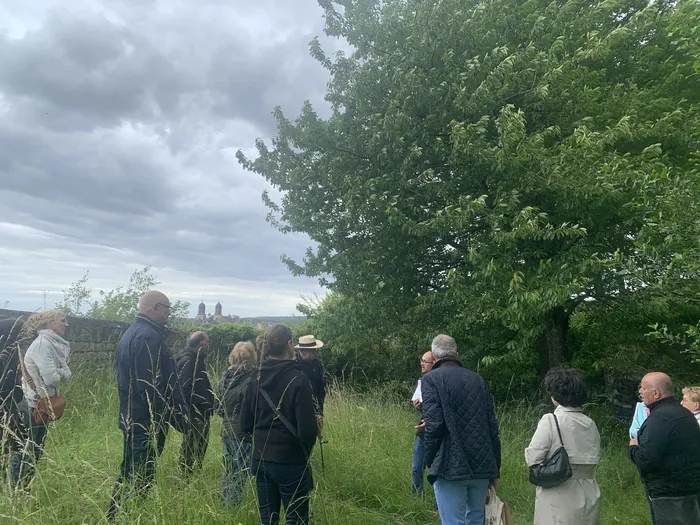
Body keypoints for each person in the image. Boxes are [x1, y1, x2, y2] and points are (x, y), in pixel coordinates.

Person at [108, 291, 188, 520]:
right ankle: (132, 516)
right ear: (155, 307)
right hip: (144, 419)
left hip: (132, 415)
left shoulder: (133, 332)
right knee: (142, 473)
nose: (168, 314)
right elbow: (149, 385)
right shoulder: (148, 336)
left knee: (130, 469)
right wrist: (164, 419)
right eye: (167, 309)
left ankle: (115, 516)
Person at [241, 324, 318, 525]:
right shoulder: (298, 378)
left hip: (261, 458)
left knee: (267, 519)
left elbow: (244, 423)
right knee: (296, 518)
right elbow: (308, 431)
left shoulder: (254, 377)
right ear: (290, 344)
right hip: (290, 461)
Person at [421, 334, 501, 525]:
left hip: (449, 465)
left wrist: (430, 459)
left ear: (433, 355)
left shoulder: (430, 379)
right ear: (456, 353)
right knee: (476, 520)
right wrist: (494, 468)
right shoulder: (478, 380)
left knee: (453, 522)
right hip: (482, 463)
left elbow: (434, 425)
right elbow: (492, 426)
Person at [525, 368, 601, 525]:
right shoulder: (590, 423)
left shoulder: (550, 420)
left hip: (559, 490)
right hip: (589, 488)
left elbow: (533, 457)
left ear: (554, 395)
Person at [628, 372, 700, 524]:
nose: (640, 391)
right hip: (691, 490)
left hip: (668, 495)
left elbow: (646, 460)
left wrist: (633, 448)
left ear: (655, 393)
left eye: (642, 387)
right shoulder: (686, 415)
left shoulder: (658, 420)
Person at [11, 310, 71, 488]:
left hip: (41, 404)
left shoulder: (52, 344)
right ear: (49, 324)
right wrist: (62, 372)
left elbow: (63, 374)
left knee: (35, 450)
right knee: (28, 449)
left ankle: (23, 486)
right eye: (62, 320)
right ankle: (15, 487)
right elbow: (53, 377)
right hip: (32, 404)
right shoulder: (43, 345)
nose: (66, 324)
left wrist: (60, 372)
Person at [217, 341, 256, 504]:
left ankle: (224, 503)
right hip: (242, 433)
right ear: (250, 360)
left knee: (229, 471)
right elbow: (252, 409)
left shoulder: (224, 379)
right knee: (240, 475)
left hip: (226, 431)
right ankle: (232, 508)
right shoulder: (250, 381)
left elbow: (219, 407)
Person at [176, 331, 214, 475]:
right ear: (202, 344)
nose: (208, 345)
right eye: (207, 342)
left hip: (198, 410)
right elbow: (185, 388)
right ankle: (186, 475)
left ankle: (190, 473)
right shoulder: (189, 361)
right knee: (193, 445)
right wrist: (197, 406)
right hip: (195, 412)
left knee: (196, 444)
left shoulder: (194, 358)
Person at [0, 318, 25, 483]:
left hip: (8, 409)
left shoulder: (8, 357)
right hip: (6, 410)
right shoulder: (6, 362)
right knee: (14, 444)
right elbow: (11, 391)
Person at [411, 350, 435, 496]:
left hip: (436, 431)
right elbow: (424, 405)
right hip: (422, 431)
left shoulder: (440, 382)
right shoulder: (422, 381)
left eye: (425, 361)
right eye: (421, 360)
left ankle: (439, 506)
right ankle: (416, 500)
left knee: (435, 469)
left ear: (434, 363)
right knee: (416, 467)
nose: (422, 363)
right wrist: (419, 405)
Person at [294, 335, 326, 440]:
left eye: (315, 350)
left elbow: (321, 389)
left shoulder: (317, 364)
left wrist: (320, 411)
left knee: (312, 438)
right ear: (302, 351)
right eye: (312, 351)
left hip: (315, 409)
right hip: (297, 410)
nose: (315, 353)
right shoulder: (293, 365)